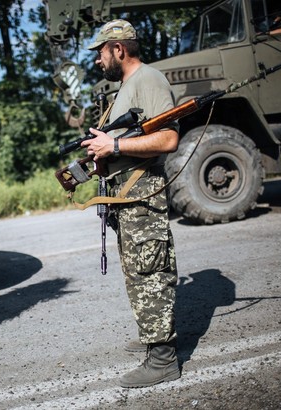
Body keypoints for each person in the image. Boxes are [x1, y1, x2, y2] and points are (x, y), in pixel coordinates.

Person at [81, 19, 180, 388]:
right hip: (126, 194)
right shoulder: (125, 88)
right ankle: (152, 336)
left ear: (118, 49)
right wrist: (103, 157)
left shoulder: (148, 80)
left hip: (142, 192)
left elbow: (169, 138)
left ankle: (163, 358)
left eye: (100, 52)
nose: (96, 60)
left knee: (151, 270)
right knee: (138, 272)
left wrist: (116, 146)